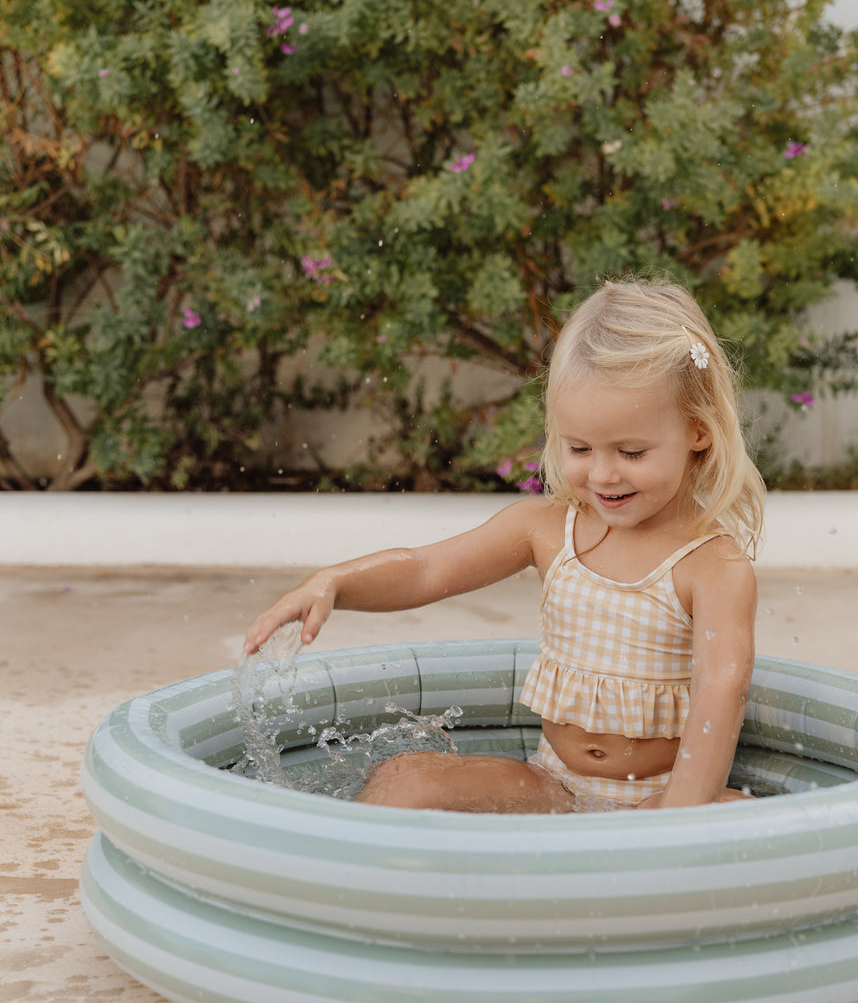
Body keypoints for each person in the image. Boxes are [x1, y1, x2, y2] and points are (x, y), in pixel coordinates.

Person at [243, 278, 765, 812]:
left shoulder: (711, 566)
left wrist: (672, 826)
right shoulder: (547, 528)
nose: (603, 474)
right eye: (579, 448)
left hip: (660, 800)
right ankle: (351, 858)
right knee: (405, 777)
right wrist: (333, 583)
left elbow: (722, 692)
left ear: (698, 430)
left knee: (748, 815)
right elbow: (425, 569)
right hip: (555, 785)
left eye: (631, 452)